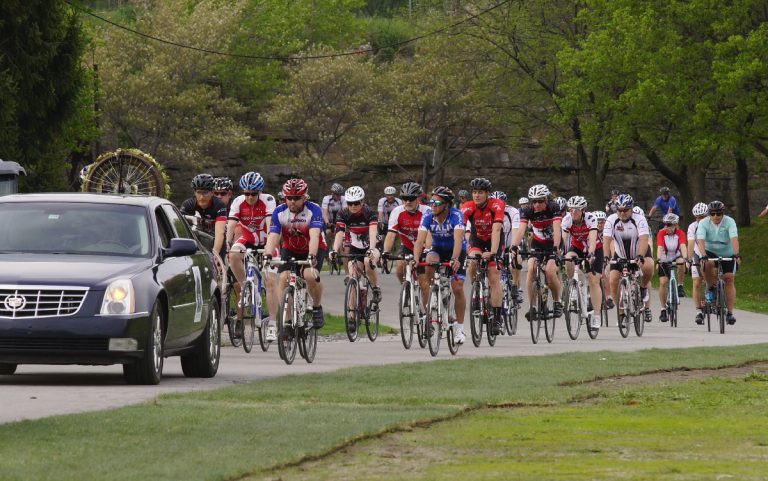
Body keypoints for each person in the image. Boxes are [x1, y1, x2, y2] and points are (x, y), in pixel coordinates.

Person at [263, 178, 327, 328]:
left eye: (297, 198)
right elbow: (273, 236)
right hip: (290, 248)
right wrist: (268, 254)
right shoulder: (279, 212)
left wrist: (311, 256)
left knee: (309, 275)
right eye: (289, 197)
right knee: (284, 278)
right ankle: (286, 320)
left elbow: (315, 235)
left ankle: (317, 307)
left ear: (305, 197)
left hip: (314, 247)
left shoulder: (314, 210)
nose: (292, 201)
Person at [227, 172, 278, 341]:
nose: (249, 197)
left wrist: (269, 250)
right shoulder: (238, 202)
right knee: (233, 254)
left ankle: (272, 323)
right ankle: (245, 286)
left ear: (260, 192)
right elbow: (232, 224)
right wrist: (227, 241)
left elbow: (272, 227)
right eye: (246, 193)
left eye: (253, 194)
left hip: (267, 242)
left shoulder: (268, 200)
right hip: (248, 240)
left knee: (270, 282)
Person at [413, 186, 468, 344]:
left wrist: (455, 259)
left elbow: (458, 240)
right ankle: (434, 293)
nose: (433, 205)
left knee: (457, 287)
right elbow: (419, 240)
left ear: (446, 204)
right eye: (431, 202)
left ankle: (459, 329)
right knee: (429, 263)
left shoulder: (456, 215)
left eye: (437, 202)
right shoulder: (428, 216)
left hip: (457, 250)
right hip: (437, 249)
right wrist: (416, 259)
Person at [510, 184, 564, 320]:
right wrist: (514, 246)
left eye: (540, 201)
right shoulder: (528, 210)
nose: (537, 204)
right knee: (531, 268)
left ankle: (557, 302)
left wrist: (556, 247)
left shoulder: (553, 207)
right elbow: (521, 230)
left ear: (546, 199)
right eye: (534, 201)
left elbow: (557, 229)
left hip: (553, 243)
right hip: (538, 243)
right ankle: (533, 306)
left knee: (551, 272)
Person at [461, 177, 506, 335]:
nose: (476, 195)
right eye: (474, 192)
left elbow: (497, 230)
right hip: (477, 240)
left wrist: (493, 253)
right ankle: (476, 287)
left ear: (488, 194)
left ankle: (497, 318)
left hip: (494, 241)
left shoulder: (496, 205)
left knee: (493, 276)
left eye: (480, 192)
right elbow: (459, 229)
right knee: (472, 262)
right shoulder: (467, 207)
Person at [602, 194, 654, 323]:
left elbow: (643, 239)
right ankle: (621, 314)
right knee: (613, 279)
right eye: (619, 210)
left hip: (639, 251)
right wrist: (606, 257)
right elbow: (607, 239)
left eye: (625, 210)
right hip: (620, 254)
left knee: (648, 266)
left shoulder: (640, 219)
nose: (622, 213)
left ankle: (642, 288)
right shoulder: (611, 220)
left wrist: (641, 256)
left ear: (631, 209)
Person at [329, 186, 382, 305]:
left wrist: (372, 249)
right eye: (350, 203)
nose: (353, 206)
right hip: (356, 246)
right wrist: (334, 250)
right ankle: (352, 318)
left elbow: (373, 231)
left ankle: (375, 288)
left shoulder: (369, 213)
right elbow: (339, 233)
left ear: (362, 201)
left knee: (368, 262)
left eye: (356, 203)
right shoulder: (343, 213)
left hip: (373, 244)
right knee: (353, 275)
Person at [696, 200, 741, 325]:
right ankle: (711, 287)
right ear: (709, 214)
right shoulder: (704, 223)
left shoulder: (730, 222)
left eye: (719, 214)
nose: (716, 216)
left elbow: (734, 239)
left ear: (723, 213)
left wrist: (737, 254)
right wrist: (703, 255)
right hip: (710, 251)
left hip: (727, 252)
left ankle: (730, 313)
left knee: (729, 278)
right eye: (713, 214)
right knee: (706, 264)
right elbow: (700, 240)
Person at [561, 196, 602, 330]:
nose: (573, 212)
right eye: (570, 210)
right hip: (577, 247)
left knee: (593, 280)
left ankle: (596, 315)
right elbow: (564, 239)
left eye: (576, 210)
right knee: (568, 258)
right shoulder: (567, 220)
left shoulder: (590, 218)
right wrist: (560, 253)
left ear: (583, 210)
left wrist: (591, 254)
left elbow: (592, 237)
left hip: (594, 247)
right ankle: (572, 284)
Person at [382, 182, 430, 284]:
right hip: (407, 246)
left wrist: (428, 249)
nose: (407, 202)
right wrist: (386, 252)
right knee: (399, 267)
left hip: (424, 246)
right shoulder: (397, 211)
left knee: (424, 284)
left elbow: (431, 234)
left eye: (411, 198)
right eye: (404, 198)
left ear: (418, 198)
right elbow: (391, 234)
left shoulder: (427, 211)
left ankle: (424, 299)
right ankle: (406, 289)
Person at [180, 173, 227, 259]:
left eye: (205, 192)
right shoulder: (188, 205)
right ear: (195, 192)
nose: (202, 197)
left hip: (215, 239)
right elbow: (181, 229)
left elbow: (220, 233)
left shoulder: (219, 205)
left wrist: (215, 255)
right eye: (198, 192)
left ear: (212, 192)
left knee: (218, 267)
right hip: (196, 239)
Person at [490, 190, 523, 303]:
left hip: (509, 243)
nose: (498, 206)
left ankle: (515, 286)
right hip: (495, 245)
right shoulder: (488, 211)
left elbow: (516, 231)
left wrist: (513, 247)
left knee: (516, 259)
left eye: (501, 204)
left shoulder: (513, 211)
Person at [655, 213, 688, 323]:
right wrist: (658, 259)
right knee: (663, 282)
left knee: (681, 262)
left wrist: (686, 258)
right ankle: (663, 309)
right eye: (665, 225)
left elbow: (683, 246)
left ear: (675, 225)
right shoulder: (661, 233)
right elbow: (659, 247)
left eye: (669, 225)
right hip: (664, 258)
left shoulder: (680, 233)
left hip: (676, 256)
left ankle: (680, 285)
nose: (667, 227)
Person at [687, 202, 708, 324]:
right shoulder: (692, 227)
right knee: (696, 282)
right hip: (697, 254)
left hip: (709, 253)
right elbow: (690, 243)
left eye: (702, 217)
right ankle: (698, 311)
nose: (699, 220)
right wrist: (689, 259)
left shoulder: (712, 225)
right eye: (697, 217)